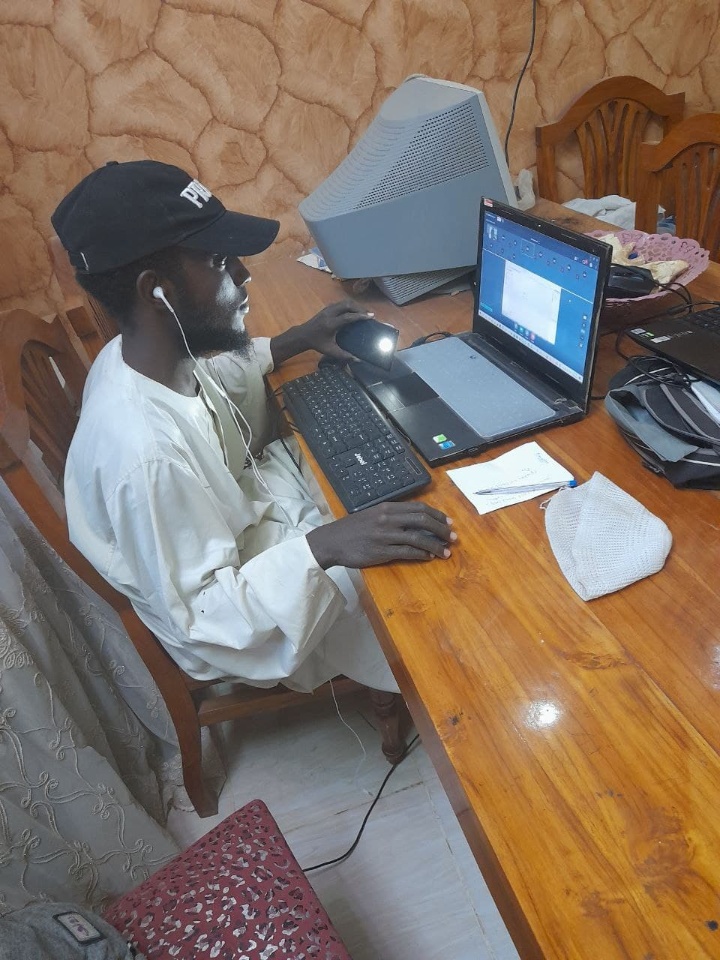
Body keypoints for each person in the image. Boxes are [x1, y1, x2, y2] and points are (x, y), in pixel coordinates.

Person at [52, 160, 456, 695]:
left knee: (391, 462)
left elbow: (211, 384)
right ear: (158, 292)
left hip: (253, 522)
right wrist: (326, 546)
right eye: (220, 261)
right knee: (442, 605)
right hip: (250, 623)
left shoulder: (142, 355)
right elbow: (206, 620)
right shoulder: (144, 457)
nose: (245, 275)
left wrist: (296, 339)